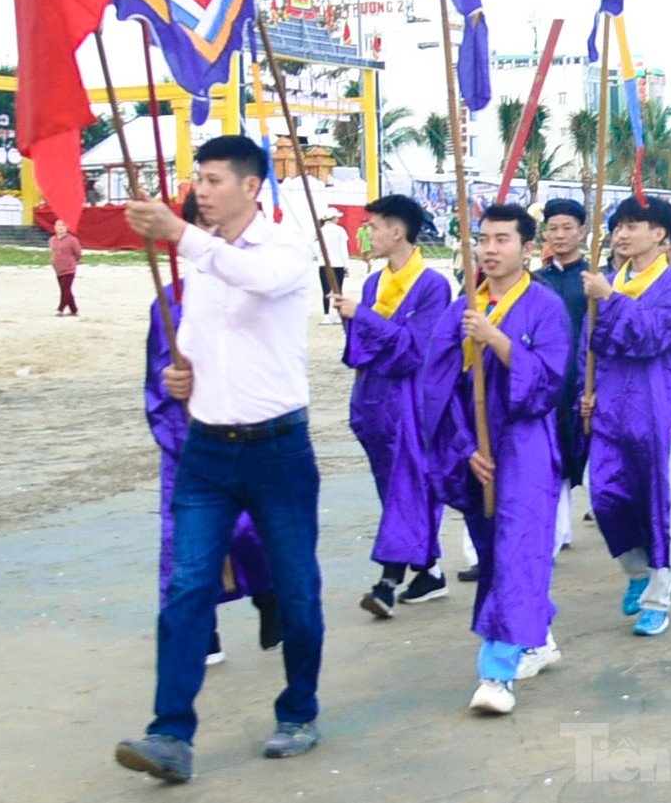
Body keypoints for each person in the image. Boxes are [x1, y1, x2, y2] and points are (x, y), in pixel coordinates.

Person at [114, 135, 323, 785]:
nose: (200, 189)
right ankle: (170, 731)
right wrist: (185, 378)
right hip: (207, 449)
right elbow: (203, 342)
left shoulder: (288, 247)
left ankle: (299, 709)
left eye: (212, 179)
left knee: (296, 588)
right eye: (196, 179)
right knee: (186, 586)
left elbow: (255, 280)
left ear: (250, 186)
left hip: (278, 448)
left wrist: (180, 231)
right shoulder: (197, 260)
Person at [424, 203, 571, 715]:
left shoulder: (546, 306)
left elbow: (551, 382)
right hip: (476, 445)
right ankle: (538, 632)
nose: (490, 249)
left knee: (518, 549)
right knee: (495, 554)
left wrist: (499, 341)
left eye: (502, 240)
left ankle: (497, 673)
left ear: (528, 248)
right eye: (483, 239)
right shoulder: (461, 307)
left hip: (527, 444)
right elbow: (438, 385)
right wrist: (465, 447)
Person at [145, 279, 280, 670]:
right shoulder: (170, 300)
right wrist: (175, 394)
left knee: (246, 527)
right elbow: (158, 372)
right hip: (186, 436)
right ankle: (198, 632)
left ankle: (270, 594)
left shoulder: (251, 292)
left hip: (244, 431)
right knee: (182, 537)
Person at [581, 194, 671, 637]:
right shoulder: (607, 282)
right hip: (609, 410)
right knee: (605, 496)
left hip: (655, 410)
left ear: (662, 236)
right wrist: (584, 392)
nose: (622, 235)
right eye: (618, 227)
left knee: (659, 506)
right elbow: (586, 348)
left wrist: (610, 298)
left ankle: (658, 599)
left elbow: (652, 336)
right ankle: (635, 570)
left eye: (633, 226)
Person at [338, 193, 454, 617]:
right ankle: (429, 569)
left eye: (373, 225)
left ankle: (388, 581)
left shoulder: (432, 286)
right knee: (395, 487)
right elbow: (361, 349)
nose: (366, 232)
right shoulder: (373, 283)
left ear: (397, 231)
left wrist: (364, 320)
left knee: (409, 482)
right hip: (373, 399)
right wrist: (355, 322)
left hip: (412, 400)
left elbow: (416, 350)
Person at [532, 198, 591, 559]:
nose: (560, 234)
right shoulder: (537, 281)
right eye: (553, 228)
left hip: (582, 380)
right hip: (545, 380)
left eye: (567, 227)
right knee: (549, 453)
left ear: (582, 231)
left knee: (576, 452)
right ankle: (555, 530)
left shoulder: (593, 280)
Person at [316, 210, 352, 326]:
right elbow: (343, 249)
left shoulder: (320, 231)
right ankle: (338, 315)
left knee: (325, 290)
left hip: (324, 264)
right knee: (338, 290)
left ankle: (326, 316)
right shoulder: (340, 230)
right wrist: (346, 265)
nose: (338, 219)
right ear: (332, 218)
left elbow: (316, 248)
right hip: (338, 264)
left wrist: (320, 257)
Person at [50, 219, 83, 316]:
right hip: (58, 269)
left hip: (69, 269)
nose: (60, 228)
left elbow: (78, 253)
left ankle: (60, 309)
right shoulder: (52, 240)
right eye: (58, 225)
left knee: (65, 288)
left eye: (63, 225)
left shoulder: (72, 240)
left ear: (66, 227)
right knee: (65, 290)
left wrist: (72, 262)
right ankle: (74, 310)